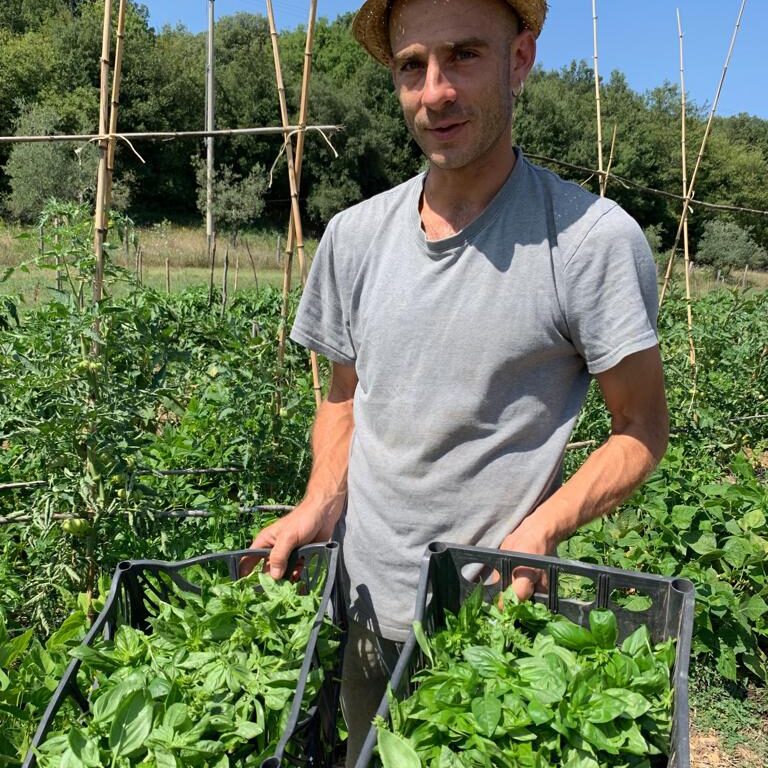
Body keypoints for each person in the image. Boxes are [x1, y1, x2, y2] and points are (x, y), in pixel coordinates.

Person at [247, 0, 668, 763]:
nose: (434, 91)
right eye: (413, 65)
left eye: (464, 55)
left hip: (492, 623)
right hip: (364, 603)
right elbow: (343, 401)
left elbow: (640, 429)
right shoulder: (355, 237)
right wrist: (317, 503)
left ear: (520, 60)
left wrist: (540, 532)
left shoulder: (589, 241)